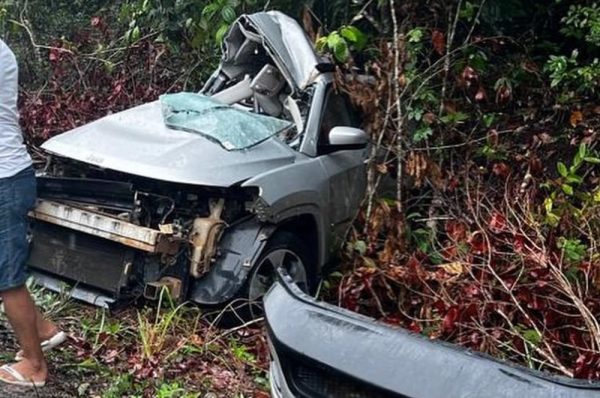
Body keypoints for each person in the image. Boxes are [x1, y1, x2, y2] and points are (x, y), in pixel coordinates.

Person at [0, 38, 65, 388]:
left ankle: (35, 367)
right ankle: (43, 331)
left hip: (3, 180)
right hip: (9, 175)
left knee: (7, 279)